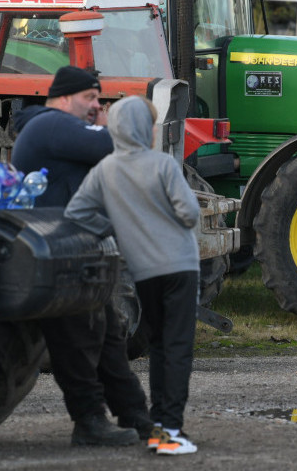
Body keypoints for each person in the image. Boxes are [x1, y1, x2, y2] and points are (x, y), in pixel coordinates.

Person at [11, 65, 152, 445]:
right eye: (89, 98)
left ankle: (136, 416)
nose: (95, 105)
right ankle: (88, 423)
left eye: (98, 99)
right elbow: (120, 147)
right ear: (62, 97)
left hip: (72, 250)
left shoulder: (57, 127)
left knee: (106, 337)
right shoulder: (50, 123)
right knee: (78, 341)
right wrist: (111, 125)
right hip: (57, 253)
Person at [65, 96, 202, 455]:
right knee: (178, 349)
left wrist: (115, 228)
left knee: (158, 346)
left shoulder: (105, 169)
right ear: (146, 128)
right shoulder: (162, 164)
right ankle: (169, 430)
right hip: (180, 267)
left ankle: (159, 425)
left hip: (143, 271)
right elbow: (189, 214)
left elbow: (76, 213)